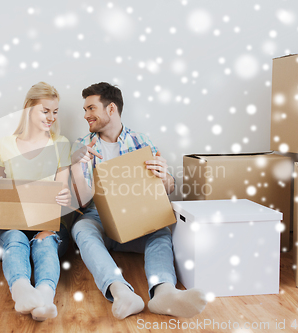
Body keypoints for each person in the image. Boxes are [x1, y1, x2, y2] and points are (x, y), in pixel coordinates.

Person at [70, 82, 207, 320]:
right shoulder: (83, 146)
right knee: (81, 228)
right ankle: (121, 291)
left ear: (111, 109)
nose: (85, 115)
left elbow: (168, 188)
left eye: (91, 108)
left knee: (161, 232)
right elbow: (81, 203)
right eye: (85, 110)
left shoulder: (141, 141)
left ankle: (164, 292)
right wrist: (77, 167)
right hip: (99, 219)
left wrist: (165, 177)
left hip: (134, 219)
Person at [0, 82, 72, 321]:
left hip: (46, 226)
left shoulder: (60, 144)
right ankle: (21, 293)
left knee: (46, 243)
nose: (51, 117)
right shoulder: (5, 145)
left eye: (55, 111)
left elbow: (62, 190)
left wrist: (64, 197)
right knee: (15, 237)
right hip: (10, 229)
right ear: (29, 109)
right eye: (45, 110)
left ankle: (44, 298)